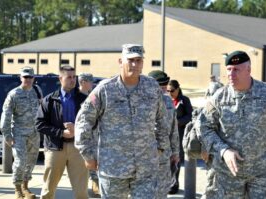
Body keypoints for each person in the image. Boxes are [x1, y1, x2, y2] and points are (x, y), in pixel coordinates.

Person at [75, 44, 170, 199]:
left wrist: (160, 147)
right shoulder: (105, 89)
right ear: (120, 61)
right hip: (113, 169)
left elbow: (162, 119)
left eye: (139, 60)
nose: (135, 64)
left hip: (145, 169)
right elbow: (83, 121)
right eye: (130, 60)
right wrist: (87, 155)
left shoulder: (152, 87)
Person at [197, 51, 266, 199]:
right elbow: (204, 128)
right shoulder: (219, 97)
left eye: (236, 69)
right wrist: (224, 150)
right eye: (229, 69)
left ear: (248, 69)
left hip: (261, 173)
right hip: (227, 174)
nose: (231, 74)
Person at [35, 66, 88, 199]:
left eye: (74, 77)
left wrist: (77, 129)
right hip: (55, 149)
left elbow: (93, 123)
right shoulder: (50, 100)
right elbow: (39, 124)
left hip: (78, 149)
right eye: (69, 77)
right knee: (48, 190)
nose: (72, 80)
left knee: (81, 191)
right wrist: (61, 133)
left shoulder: (84, 100)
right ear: (60, 78)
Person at [0, 67, 42, 199]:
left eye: (30, 77)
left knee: (31, 161)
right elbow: (6, 116)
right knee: (20, 161)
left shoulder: (37, 90)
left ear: (33, 78)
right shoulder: (14, 94)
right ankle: (17, 189)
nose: (28, 80)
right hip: (19, 133)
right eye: (25, 77)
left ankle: (25, 187)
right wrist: (7, 135)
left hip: (34, 133)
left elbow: (42, 109)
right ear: (20, 78)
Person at [148, 70, 180, 198]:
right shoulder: (140, 101)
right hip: (144, 156)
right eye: (159, 88)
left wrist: (176, 153)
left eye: (164, 88)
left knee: (161, 192)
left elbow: (173, 129)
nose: (162, 91)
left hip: (164, 156)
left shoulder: (168, 101)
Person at [167, 79, 193, 194]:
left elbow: (190, 116)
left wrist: (178, 122)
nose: (169, 93)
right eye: (167, 91)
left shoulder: (184, 100)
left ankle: (174, 183)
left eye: (172, 91)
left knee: (175, 160)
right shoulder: (166, 100)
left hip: (179, 135)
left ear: (178, 89)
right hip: (166, 136)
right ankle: (166, 183)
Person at [78, 73, 101, 197]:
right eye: (90, 81)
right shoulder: (75, 96)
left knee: (93, 157)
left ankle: (95, 183)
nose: (92, 84)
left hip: (94, 132)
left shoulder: (92, 96)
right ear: (82, 82)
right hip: (81, 134)